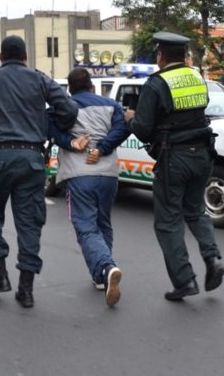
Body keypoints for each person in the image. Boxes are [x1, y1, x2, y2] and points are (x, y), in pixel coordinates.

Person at [0, 35, 78, 309]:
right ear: (25, 56)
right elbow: (68, 109)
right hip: (32, 161)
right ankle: (26, 289)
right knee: (29, 223)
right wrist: (52, 126)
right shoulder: (40, 79)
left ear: (1, 57)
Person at [123, 31, 224, 301]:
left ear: (161, 56)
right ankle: (213, 257)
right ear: (184, 56)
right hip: (202, 154)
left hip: (174, 158)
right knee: (195, 211)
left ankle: (185, 280)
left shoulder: (156, 83)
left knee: (168, 222)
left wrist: (131, 118)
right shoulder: (197, 77)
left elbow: (144, 130)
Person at [48, 68, 131, 307]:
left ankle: (106, 267)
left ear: (70, 89)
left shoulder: (64, 107)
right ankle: (102, 277)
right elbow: (121, 129)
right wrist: (102, 148)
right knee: (103, 223)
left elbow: (50, 129)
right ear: (92, 86)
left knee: (86, 227)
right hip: (108, 175)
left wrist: (72, 143)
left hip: (79, 175)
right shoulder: (111, 105)